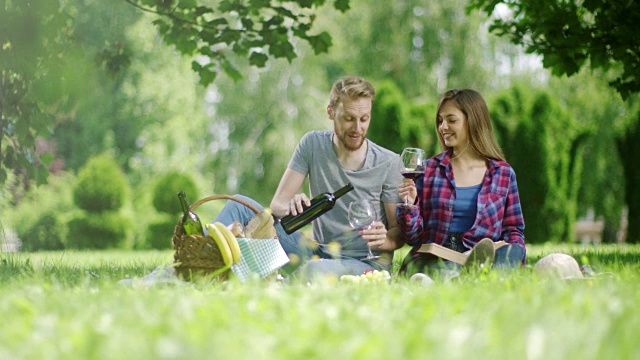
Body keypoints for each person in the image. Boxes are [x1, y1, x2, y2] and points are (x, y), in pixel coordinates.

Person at [213, 76, 405, 281]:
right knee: (239, 206)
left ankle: (275, 288)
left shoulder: (388, 163)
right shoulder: (312, 144)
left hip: (364, 263)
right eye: (349, 118)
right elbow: (277, 207)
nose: (357, 128)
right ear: (331, 112)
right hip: (317, 252)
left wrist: (384, 240)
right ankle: (193, 264)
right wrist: (293, 204)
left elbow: (399, 233)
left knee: (314, 270)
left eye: (364, 119)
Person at [396, 88, 526, 278]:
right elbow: (412, 237)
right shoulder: (429, 170)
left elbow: (514, 230)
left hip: (480, 256)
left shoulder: (503, 173)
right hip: (436, 257)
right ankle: (466, 278)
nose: (443, 127)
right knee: (445, 270)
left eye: (451, 120)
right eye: (440, 121)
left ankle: (478, 275)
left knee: (513, 251)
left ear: (473, 120)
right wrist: (410, 205)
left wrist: (512, 250)